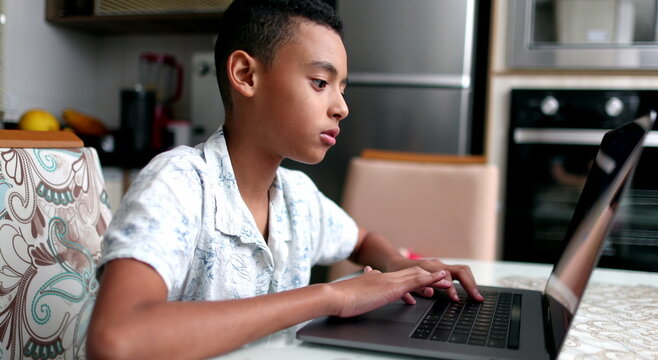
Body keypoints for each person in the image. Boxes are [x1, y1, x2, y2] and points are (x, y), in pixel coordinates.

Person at [86, 0, 483, 359]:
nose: (342, 107)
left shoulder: (298, 196)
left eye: (342, 89)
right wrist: (330, 296)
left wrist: (396, 264)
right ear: (246, 75)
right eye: (320, 83)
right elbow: (117, 339)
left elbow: (360, 240)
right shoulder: (179, 184)